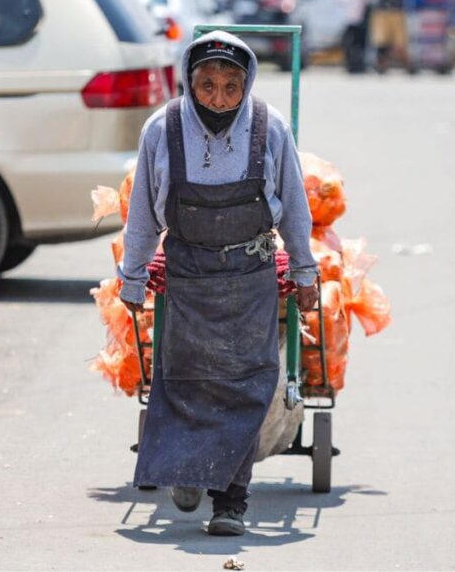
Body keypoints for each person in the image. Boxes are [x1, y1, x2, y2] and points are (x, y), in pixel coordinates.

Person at [117, 31, 319, 537]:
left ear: (246, 84)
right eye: (207, 85)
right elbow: (143, 211)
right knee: (186, 377)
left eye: (232, 86)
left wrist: (304, 268)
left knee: (247, 384)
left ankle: (231, 500)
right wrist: (133, 274)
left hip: (250, 276)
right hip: (187, 276)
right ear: (189, 81)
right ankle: (187, 468)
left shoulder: (270, 128)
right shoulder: (161, 131)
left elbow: (294, 206)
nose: (219, 97)